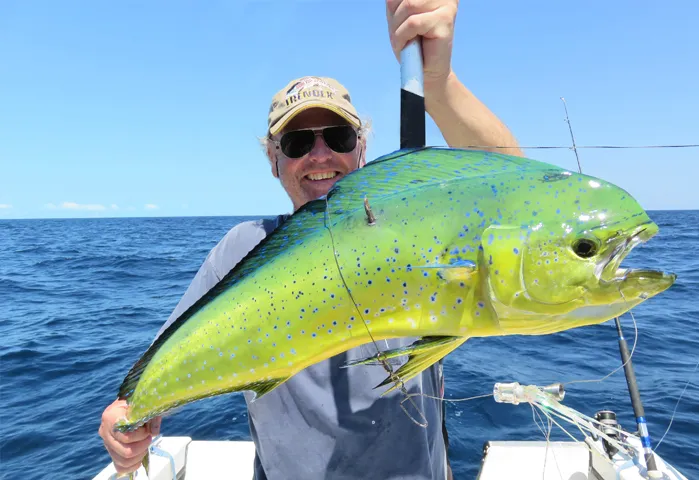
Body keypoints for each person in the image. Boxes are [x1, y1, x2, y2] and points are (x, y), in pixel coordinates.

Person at [98, 1, 523, 478]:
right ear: (274, 161)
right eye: (298, 143)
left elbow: (509, 188)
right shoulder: (241, 250)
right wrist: (126, 414)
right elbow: (177, 362)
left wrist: (439, 83)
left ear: (361, 147)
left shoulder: (415, 229)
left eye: (337, 136)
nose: (320, 156)